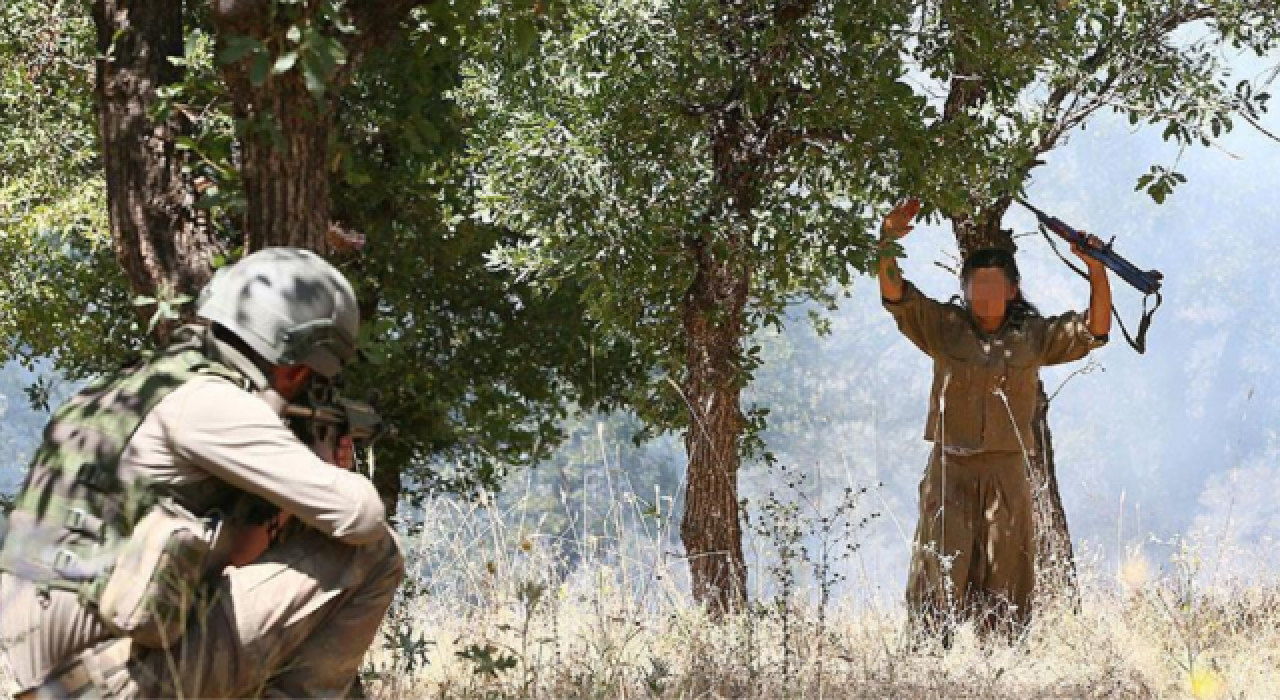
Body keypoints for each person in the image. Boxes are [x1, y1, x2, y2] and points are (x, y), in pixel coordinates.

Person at [0, 248, 404, 699]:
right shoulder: (211, 403)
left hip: (45, 678)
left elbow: (233, 557)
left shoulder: (125, 391)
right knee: (372, 552)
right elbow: (362, 515)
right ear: (294, 369)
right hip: (104, 680)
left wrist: (288, 502)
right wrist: (324, 473)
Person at [876, 198, 1111, 641]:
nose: (984, 295)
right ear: (964, 291)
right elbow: (896, 296)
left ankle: (1001, 661)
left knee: (1007, 569)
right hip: (950, 468)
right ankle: (928, 658)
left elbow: (1095, 331)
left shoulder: (1034, 336)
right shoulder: (943, 327)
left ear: (1012, 290)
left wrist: (1096, 269)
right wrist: (887, 239)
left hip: (1006, 470)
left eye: (993, 286)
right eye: (976, 287)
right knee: (939, 565)